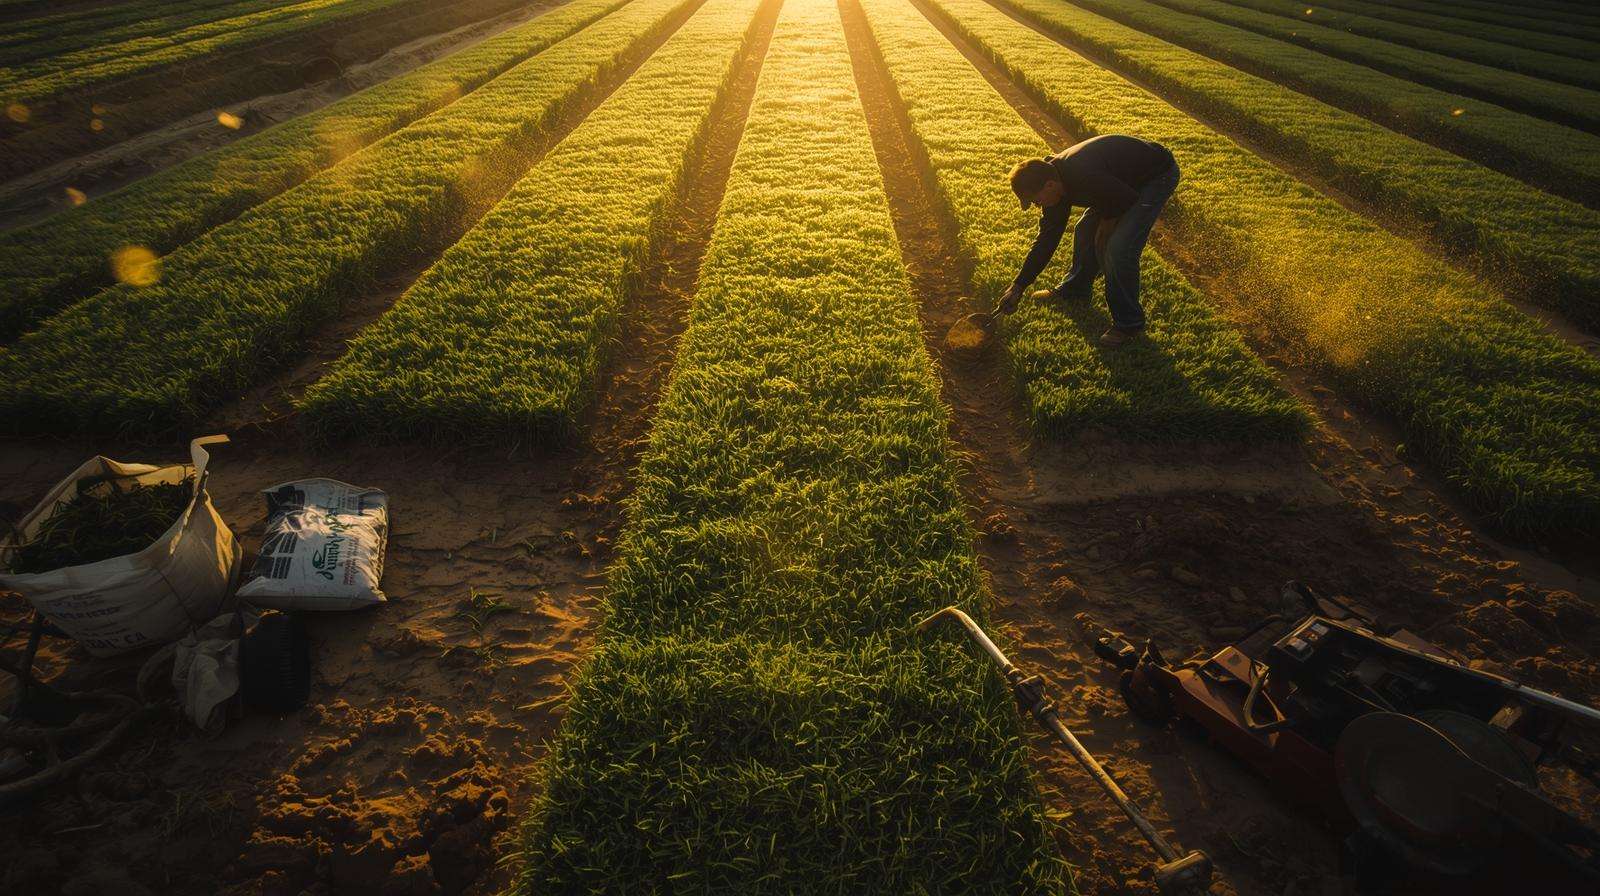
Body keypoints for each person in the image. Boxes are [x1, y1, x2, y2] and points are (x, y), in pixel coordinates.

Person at [997, 134, 1179, 346]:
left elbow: (1125, 199)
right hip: (1117, 182)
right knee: (1084, 230)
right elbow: (1048, 239)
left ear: (1049, 185)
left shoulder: (1083, 174)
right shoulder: (1056, 184)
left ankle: (1129, 324)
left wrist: (1106, 228)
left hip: (1155, 176)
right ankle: (1075, 290)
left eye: (1036, 201)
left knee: (1118, 248)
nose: (1038, 206)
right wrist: (1019, 285)